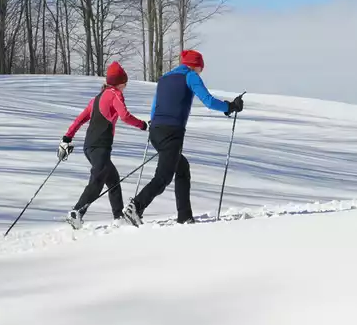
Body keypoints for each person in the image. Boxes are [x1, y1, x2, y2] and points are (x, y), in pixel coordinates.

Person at [123, 49, 242, 226]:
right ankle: (137, 206)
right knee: (163, 176)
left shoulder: (164, 79)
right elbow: (208, 101)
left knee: (182, 168)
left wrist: (155, 126)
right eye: (201, 68)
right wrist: (230, 106)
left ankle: (185, 216)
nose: (201, 71)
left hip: (156, 130)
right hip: (172, 132)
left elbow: (155, 106)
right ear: (197, 66)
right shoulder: (190, 76)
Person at [58, 61, 147, 228]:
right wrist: (143, 125)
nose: (125, 87)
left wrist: (67, 138)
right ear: (120, 83)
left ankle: (118, 217)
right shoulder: (115, 94)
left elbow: (80, 119)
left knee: (113, 180)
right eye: (125, 84)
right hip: (101, 146)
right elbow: (125, 115)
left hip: (89, 146)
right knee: (97, 182)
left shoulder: (96, 98)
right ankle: (76, 212)